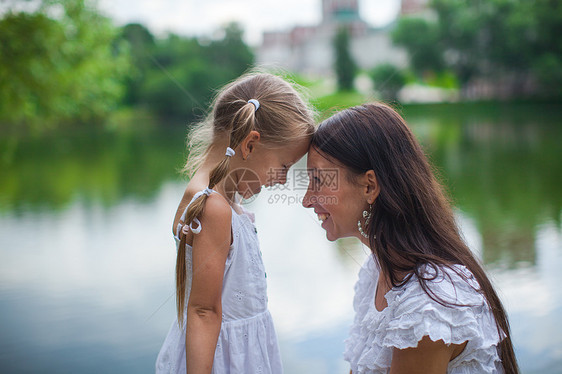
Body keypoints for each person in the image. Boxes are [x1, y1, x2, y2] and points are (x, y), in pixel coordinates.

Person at [302, 103, 519, 374]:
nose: (306, 200)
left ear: (370, 186)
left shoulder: (428, 308)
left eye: (319, 181)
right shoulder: (378, 272)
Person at [156, 72, 315, 373]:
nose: (282, 180)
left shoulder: (222, 201)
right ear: (250, 144)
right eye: (284, 166)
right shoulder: (214, 207)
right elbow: (204, 311)